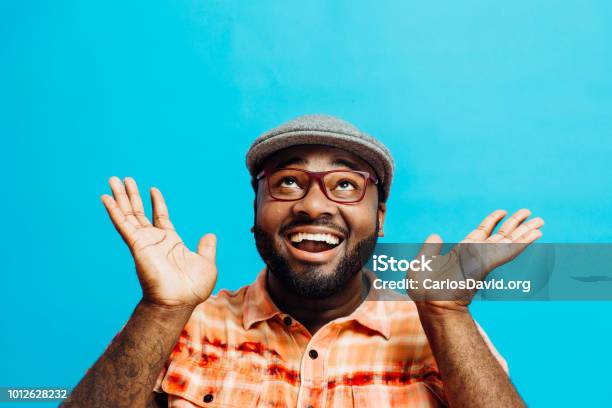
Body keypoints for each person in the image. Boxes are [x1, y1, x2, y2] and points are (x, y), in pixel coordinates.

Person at [63, 115, 543, 407]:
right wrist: (161, 310)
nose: (314, 206)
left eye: (346, 185)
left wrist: (447, 315)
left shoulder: (439, 331)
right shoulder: (187, 327)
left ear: (380, 217)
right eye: (288, 182)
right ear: (255, 211)